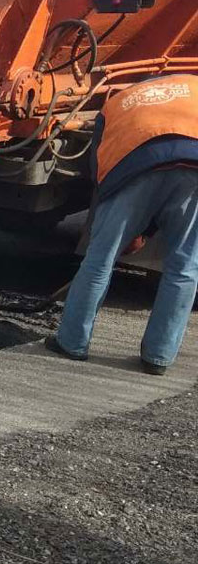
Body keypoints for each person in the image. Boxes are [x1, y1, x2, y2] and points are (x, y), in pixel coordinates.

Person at [46, 73, 198, 375]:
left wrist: (128, 228)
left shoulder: (115, 102)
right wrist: (146, 230)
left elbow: (99, 166)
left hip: (135, 166)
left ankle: (72, 341)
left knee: (100, 258)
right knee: (185, 267)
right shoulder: (192, 86)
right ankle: (159, 356)